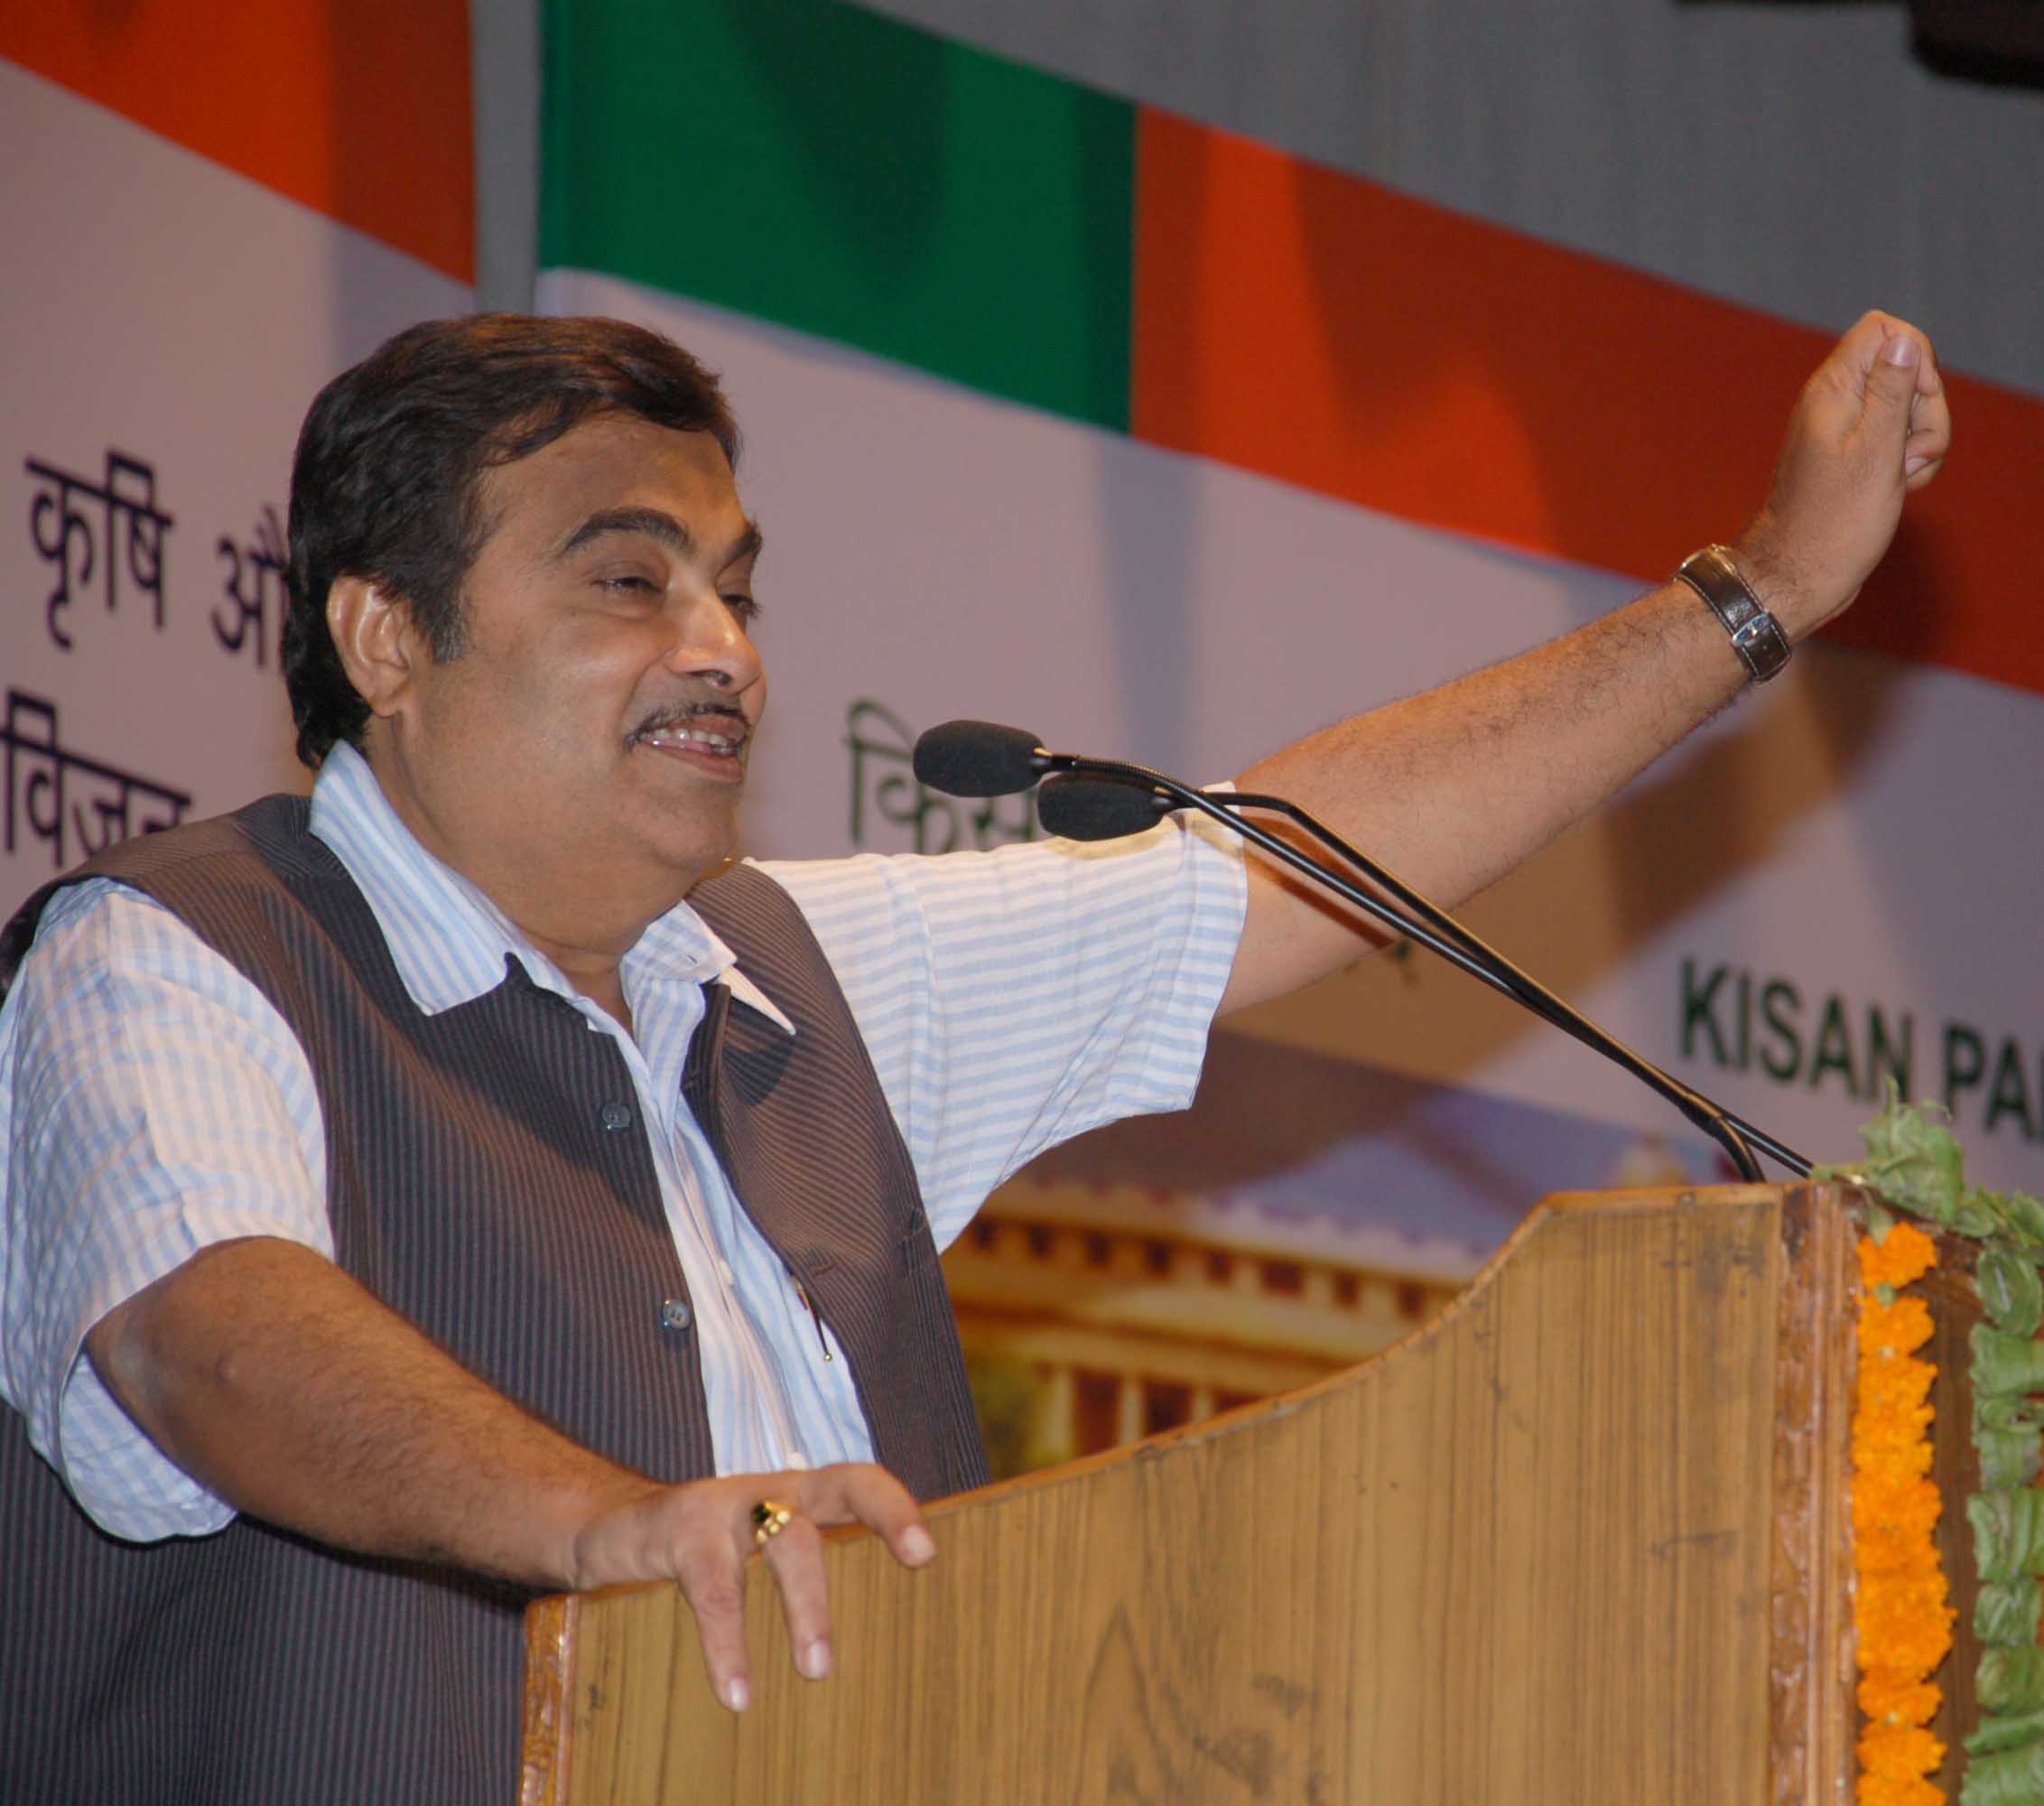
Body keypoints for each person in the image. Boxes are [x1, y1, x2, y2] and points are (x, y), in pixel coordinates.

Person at [0, 309, 1947, 1802]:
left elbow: (1288, 870)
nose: (724, 648)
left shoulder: (803, 980)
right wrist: (610, 1526)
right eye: (627, 577)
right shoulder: (168, 955)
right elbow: (212, 1335)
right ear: (386, 638)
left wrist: (1751, 597)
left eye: (736, 587)